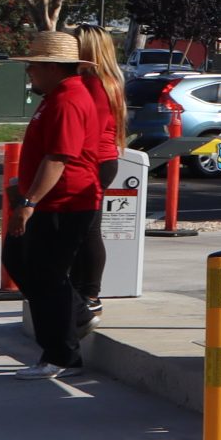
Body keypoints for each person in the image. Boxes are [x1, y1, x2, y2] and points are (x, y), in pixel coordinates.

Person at [5, 31, 104, 378]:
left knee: (48, 276)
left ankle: (62, 355)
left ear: (52, 68)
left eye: (33, 65)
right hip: (54, 200)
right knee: (20, 260)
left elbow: (59, 156)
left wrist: (29, 201)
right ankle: (76, 315)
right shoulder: (56, 96)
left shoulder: (67, 100)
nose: (28, 71)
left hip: (64, 202)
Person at [72, 27, 127, 329]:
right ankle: (84, 292)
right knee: (84, 228)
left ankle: (90, 295)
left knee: (88, 229)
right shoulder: (105, 80)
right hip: (101, 160)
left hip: (96, 161)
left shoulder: (95, 83)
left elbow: (86, 129)